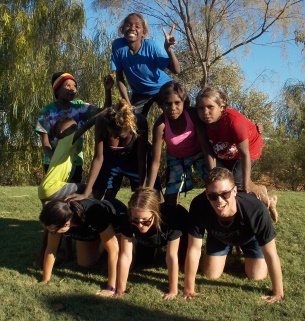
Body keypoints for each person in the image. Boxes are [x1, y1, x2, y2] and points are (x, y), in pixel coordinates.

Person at [183, 167, 284, 304]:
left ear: (235, 191)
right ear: (207, 194)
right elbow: (194, 248)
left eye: (225, 194)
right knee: (210, 274)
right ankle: (227, 250)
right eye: (213, 196)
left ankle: (244, 249)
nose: (219, 201)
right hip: (219, 236)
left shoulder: (255, 209)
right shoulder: (199, 205)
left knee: (256, 276)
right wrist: (189, 288)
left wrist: (278, 293)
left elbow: (271, 253)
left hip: (249, 237)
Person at [195, 87, 278, 222]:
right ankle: (268, 198)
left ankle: (248, 212)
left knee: (237, 183)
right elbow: (208, 152)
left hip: (248, 150)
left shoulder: (234, 121)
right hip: (227, 151)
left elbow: (245, 154)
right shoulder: (201, 122)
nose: (205, 112)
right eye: (200, 108)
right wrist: (213, 180)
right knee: (226, 181)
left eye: (210, 107)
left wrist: (245, 188)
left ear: (221, 107)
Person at [67, 98, 160, 201]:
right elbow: (98, 157)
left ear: (130, 128)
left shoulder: (140, 122)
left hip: (134, 160)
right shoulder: (102, 120)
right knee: (97, 195)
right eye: (110, 133)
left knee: (153, 196)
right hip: (110, 160)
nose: (113, 136)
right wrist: (86, 193)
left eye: (118, 134)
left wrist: (142, 188)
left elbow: (142, 158)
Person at [39, 197, 127, 296]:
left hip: (114, 221)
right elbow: (52, 248)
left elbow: (114, 251)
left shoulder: (95, 213)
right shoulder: (57, 219)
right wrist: (45, 280)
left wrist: (111, 288)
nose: (51, 232)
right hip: (93, 230)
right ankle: (102, 241)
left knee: (125, 263)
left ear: (66, 224)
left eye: (52, 230)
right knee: (85, 263)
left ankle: (114, 241)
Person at [147, 81, 214, 205]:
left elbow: (206, 147)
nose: (173, 108)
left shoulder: (193, 115)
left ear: (184, 102)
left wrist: (213, 176)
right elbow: (155, 162)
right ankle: (173, 219)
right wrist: (148, 189)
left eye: (177, 103)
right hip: (176, 157)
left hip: (198, 153)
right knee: (171, 197)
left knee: (214, 185)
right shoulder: (160, 125)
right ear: (161, 105)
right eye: (168, 104)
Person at [114, 187, 188, 300]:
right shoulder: (128, 219)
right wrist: (120, 290)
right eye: (135, 220)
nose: (140, 225)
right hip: (151, 237)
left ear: (155, 214)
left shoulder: (172, 218)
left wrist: (173, 291)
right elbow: (125, 255)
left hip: (182, 235)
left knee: (183, 261)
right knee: (144, 261)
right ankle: (149, 247)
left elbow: (171, 256)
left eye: (145, 220)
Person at [35, 72, 107, 183]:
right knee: (55, 194)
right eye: (68, 85)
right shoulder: (47, 111)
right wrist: (55, 159)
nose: (73, 89)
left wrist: (108, 90)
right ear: (57, 90)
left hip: (75, 161)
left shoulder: (80, 107)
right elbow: (45, 143)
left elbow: (104, 113)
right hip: (52, 161)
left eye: (75, 86)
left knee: (72, 195)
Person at [111, 12, 180, 116]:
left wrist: (169, 50)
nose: (132, 28)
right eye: (128, 25)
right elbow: (119, 78)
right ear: (122, 30)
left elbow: (176, 70)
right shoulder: (118, 46)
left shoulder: (150, 46)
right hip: (140, 93)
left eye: (137, 26)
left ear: (144, 32)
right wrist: (127, 103)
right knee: (133, 121)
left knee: (175, 113)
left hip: (163, 87)